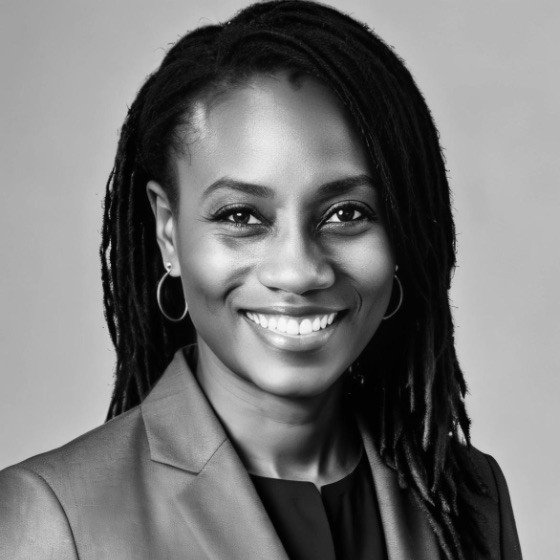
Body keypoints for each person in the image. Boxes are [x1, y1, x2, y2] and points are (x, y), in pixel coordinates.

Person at [0, 1, 523, 558]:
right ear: (169, 232)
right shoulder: (51, 515)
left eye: (347, 213)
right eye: (241, 216)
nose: (298, 271)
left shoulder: (472, 497)